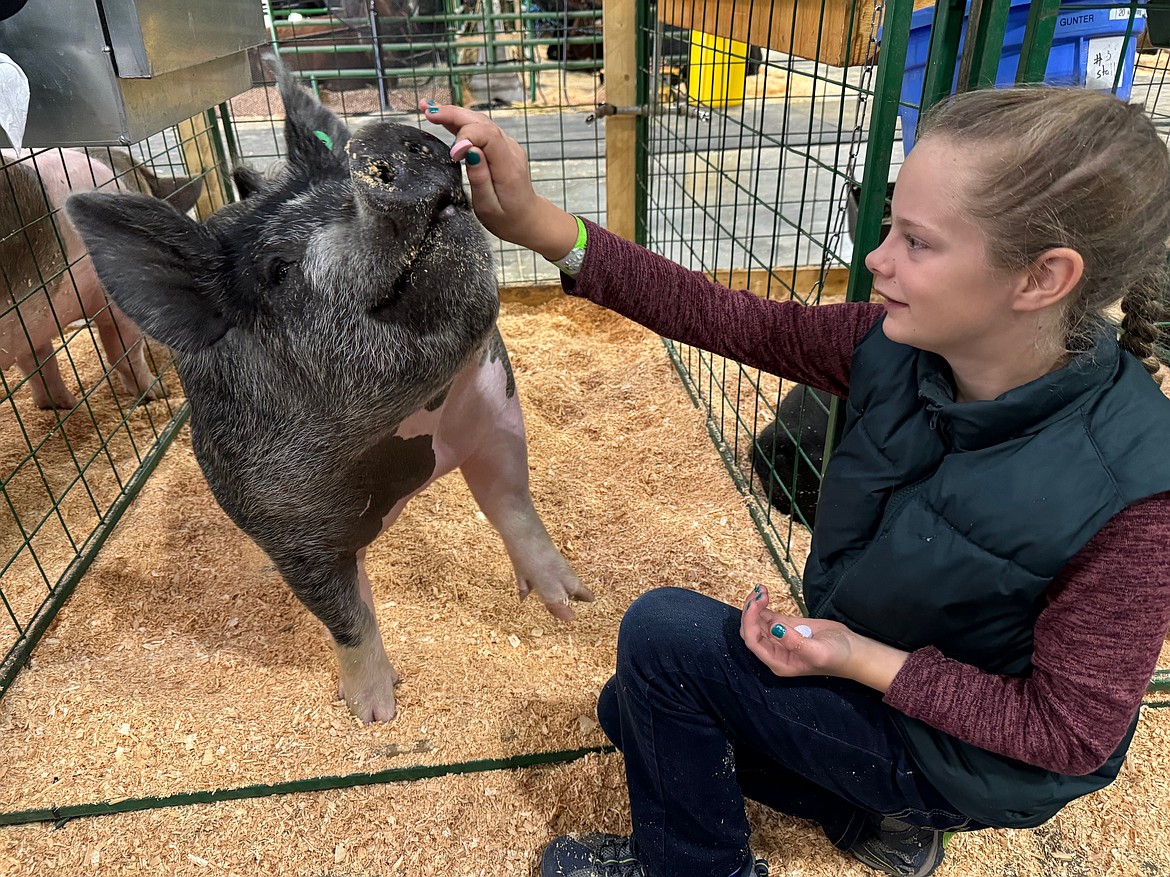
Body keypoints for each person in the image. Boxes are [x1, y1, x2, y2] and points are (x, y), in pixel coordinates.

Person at [418, 86, 1170, 877]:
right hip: (887, 683)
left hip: (972, 758)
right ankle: (873, 819)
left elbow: (1065, 734)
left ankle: (699, 867)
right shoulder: (895, 345)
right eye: (888, 227)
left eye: (916, 241)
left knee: (663, 639)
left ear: (1043, 277)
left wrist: (857, 657)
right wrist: (538, 222)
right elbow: (729, 319)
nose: (877, 257)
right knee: (630, 707)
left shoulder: (1135, 498)